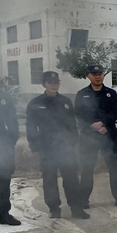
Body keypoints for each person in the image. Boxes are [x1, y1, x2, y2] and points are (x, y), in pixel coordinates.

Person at [26, 72, 89, 219]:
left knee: (71, 179)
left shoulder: (65, 102)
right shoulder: (35, 104)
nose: (53, 85)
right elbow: (31, 127)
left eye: (56, 82)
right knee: (49, 180)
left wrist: (73, 141)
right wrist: (35, 145)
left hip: (65, 148)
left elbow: (72, 125)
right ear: (43, 84)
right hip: (46, 149)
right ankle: (54, 209)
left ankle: (76, 208)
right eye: (50, 82)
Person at [74, 64, 117, 208]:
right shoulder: (82, 94)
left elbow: (115, 111)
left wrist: (103, 124)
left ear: (103, 76)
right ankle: (84, 200)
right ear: (88, 76)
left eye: (100, 74)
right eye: (94, 75)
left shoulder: (111, 93)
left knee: (113, 167)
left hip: (108, 135)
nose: (98, 77)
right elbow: (78, 114)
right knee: (87, 168)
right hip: (88, 137)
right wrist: (93, 126)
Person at [0, 63, 20, 225]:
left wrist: (10, 141)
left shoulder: (4, 97)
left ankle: (4, 214)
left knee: (3, 179)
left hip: (1, 144)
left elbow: (12, 120)